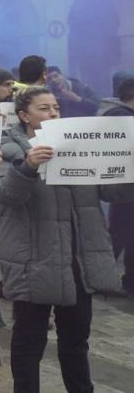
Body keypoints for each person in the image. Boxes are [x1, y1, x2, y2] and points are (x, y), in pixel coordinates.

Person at [0, 86, 134, 393]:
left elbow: (112, 193)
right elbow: (3, 195)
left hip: (78, 261)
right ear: (24, 116)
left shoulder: (79, 145)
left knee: (76, 340)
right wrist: (28, 167)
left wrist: (126, 167)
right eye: (44, 108)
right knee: (29, 341)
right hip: (35, 261)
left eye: (56, 107)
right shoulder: (8, 147)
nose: (53, 113)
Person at [100, 71, 134, 295]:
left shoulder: (114, 113)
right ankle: (104, 280)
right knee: (120, 234)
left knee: (123, 234)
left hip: (123, 188)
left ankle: (123, 280)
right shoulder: (122, 118)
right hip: (124, 189)